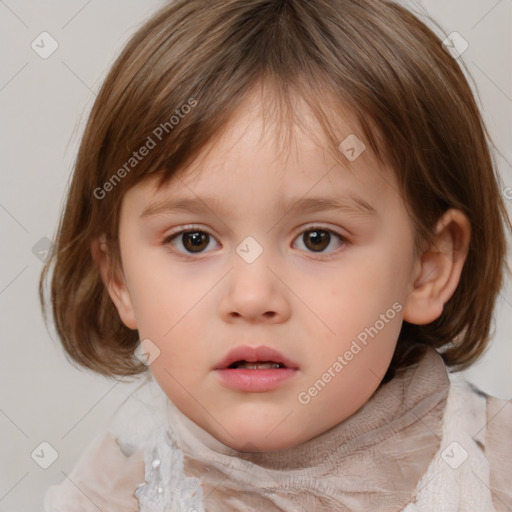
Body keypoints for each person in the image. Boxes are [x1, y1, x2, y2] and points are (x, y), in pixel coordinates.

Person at [39, 0, 512, 510]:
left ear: (427, 268)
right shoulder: (106, 493)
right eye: (194, 240)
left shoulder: (493, 477)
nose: (252, 297)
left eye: (317, 239)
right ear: (120, 280)